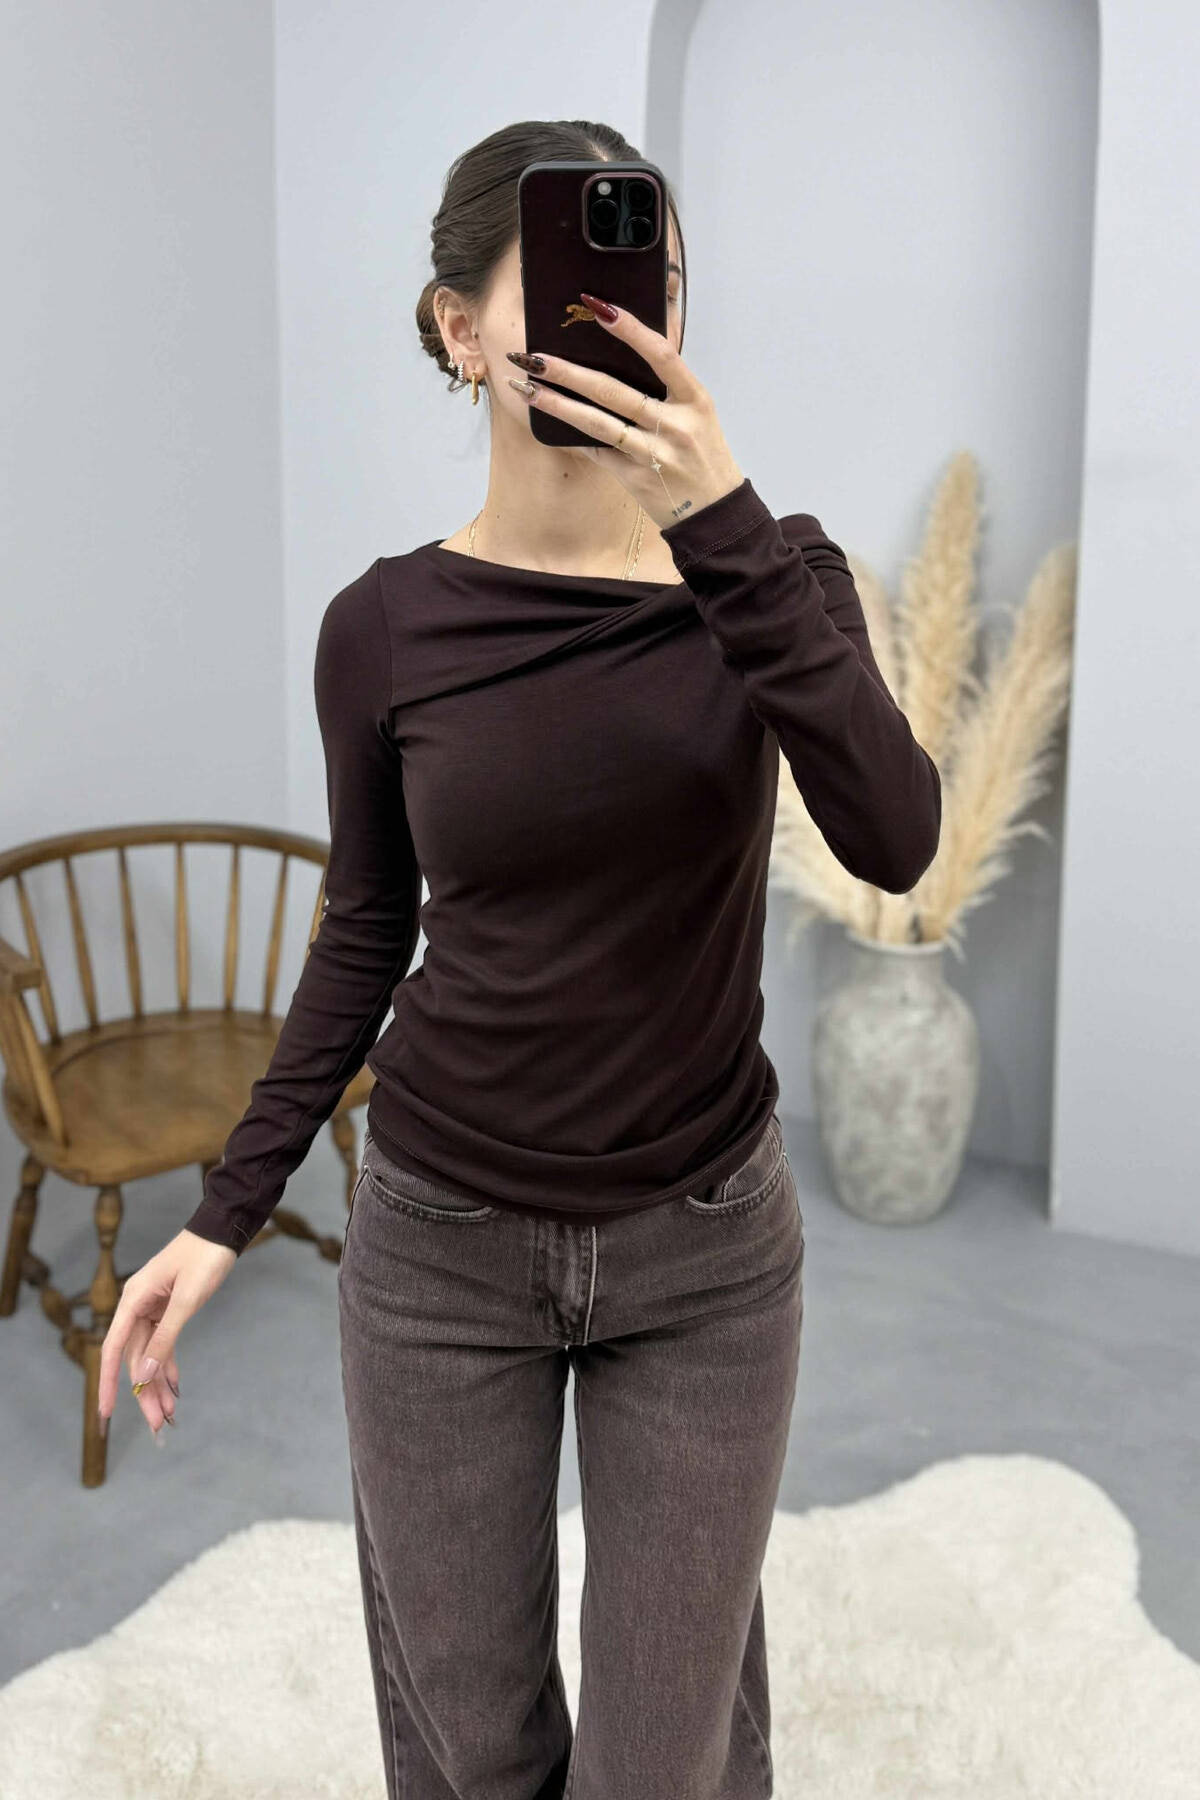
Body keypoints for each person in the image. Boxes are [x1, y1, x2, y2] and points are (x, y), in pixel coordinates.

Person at [99, 117, 941, 1800]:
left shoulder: (778, 573)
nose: (625, 321)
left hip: (704, 1254)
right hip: (439, 1252)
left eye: (656, 289)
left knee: (660, 1764)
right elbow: (365, 928)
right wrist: (226, 1208)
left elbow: (895, 838)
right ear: (459, 329)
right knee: (473, 1748)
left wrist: (721, 522)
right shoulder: (383, 628)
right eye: (574, 286)